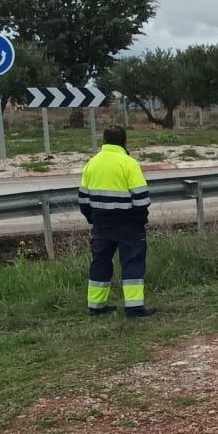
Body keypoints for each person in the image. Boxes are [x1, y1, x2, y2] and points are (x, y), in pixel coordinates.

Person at [78, 126, 152, 318]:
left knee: (100, 262)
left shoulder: (92, 164)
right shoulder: (128, 163)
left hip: (101, 223)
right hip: (128, 224)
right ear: (125, 142)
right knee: (132, 261)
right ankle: (134, 308)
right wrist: (139, 220)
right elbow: (141, 198)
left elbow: (83, 200)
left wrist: (93, 219)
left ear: (103, 140)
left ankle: (96, 306)